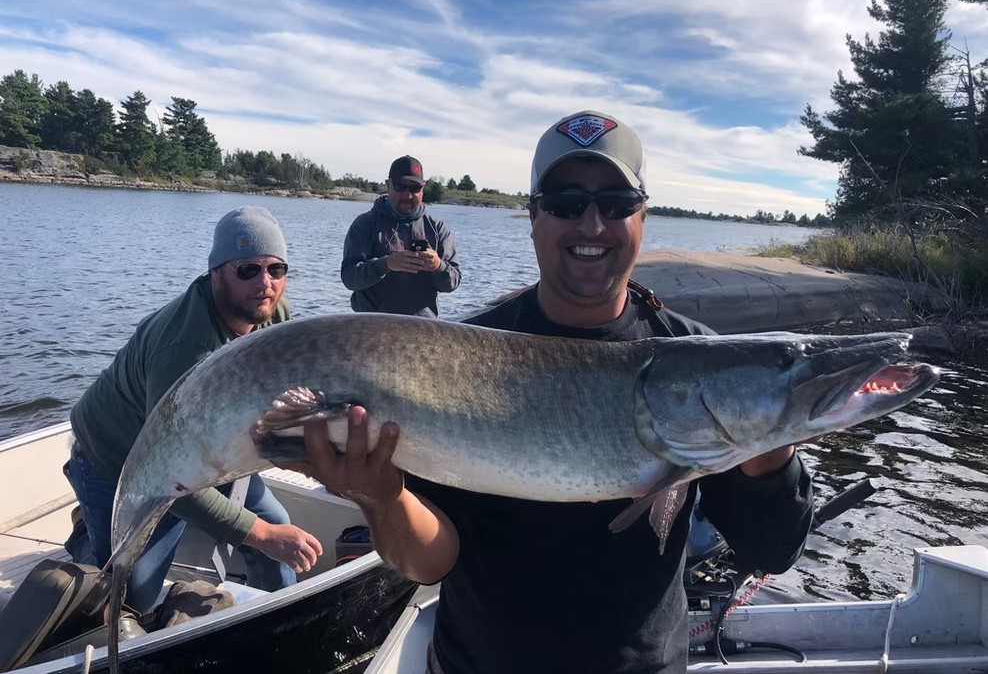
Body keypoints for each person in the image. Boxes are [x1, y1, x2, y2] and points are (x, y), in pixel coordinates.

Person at [287, 112, 814, 673]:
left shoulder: (699, 358)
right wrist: (382, 498)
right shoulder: (460, 353)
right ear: (533, 216)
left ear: (642, 217)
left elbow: (772, 551)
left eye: (615, 203)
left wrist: (773, 437)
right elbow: (429, 562)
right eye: (566, 203)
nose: (592, 224)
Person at [64, 206, 323, 613]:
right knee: (134, 595)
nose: (265, 283)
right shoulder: (185, 350)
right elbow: (165, 476)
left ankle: (276, 615)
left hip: (208, 446)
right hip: (117, 461)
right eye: (247, 270)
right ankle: (88, 534)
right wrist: (261, 534)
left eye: (276, 269)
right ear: (216, 272)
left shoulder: (272, 316)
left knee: (279, 524)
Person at [340, 155, 461, 317]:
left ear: (422, 189)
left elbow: (453, 282)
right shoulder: (365, 225)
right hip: (372, 328)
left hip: (424, 330)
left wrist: (438, 266)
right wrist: (386, 264)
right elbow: (350, 278)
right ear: (388, 185)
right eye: (400, 187)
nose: (407, 195)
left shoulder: (438, 229)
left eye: (414, 188)